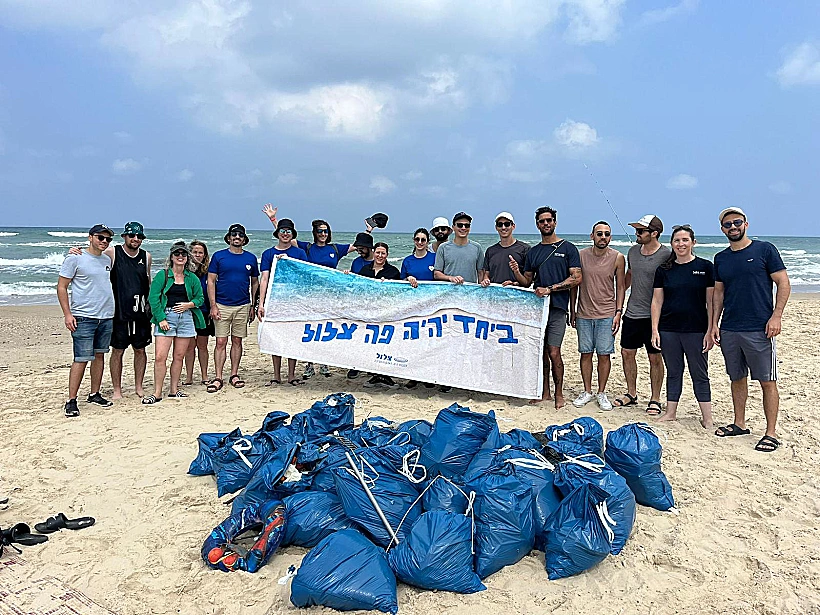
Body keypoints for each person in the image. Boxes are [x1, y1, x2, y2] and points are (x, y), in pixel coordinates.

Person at [711, 207, 790, 452]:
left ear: (746, 224)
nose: (732, 227)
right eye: (727, 225)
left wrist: (776, 316)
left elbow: (783, 282)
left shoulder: (764, 250)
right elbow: (719, 293)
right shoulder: (721, 258)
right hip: (730, 328)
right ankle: (739, 423)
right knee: (736, 377)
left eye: (737, 222)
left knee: (767, 380)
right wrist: (714, 323)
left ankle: (771, 432)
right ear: (722, 229)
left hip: (759, 328)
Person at [67, 222, 152, 399]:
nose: (135, 239)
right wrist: (77, 250)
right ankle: (117, 389)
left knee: (140, 350)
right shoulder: (112, 253)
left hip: (139, 312)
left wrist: (151, 308)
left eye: (139, 236)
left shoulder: (147, 256)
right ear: (125, 237)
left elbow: (148, 282)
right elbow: (93, 255)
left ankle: (138, 386)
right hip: (117, 312)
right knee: (117, 350)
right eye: (132, 236)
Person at [510, 206, 582, 408]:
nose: (546, 224)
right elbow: (527, 282)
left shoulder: (568, 248)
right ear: (537, 224)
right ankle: (545, 392)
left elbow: (577, 278)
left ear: (555, 222)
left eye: (549, 220)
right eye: (542, 221)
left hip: (558, 308)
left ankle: (559, 393)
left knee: (554, 351)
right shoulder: (533, 252)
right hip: (537, 309)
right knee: (541, 352)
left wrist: (551, 288)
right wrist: (516, 273)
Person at [650, 225, 714, 428]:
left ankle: (707, 417)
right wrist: (654, 330)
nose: (681, 244)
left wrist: (711, 330)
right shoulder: (664, 270)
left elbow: (711, 302)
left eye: (685, 240)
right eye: (677, 240)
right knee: (674, 371)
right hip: (669, 330)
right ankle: (670, 412)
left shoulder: (705, 267)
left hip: (696, 331)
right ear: (672, 244)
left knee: (699, 373)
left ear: (693, 242)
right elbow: (657, 301)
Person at [57, 224, 116, 417]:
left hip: (106, 316)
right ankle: (71, 400)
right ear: (90, 237)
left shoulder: (107, 259)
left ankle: (94, 393)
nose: (104, 242)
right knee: (81, 359)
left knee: (99, 356)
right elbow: (62, 287)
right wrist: (68, 314)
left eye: (108, 239)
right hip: (83, 317)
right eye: (101, 238)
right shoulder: (75, 258)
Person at [613, 214, 670, 415]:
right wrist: (617, 299)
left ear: (654, 233)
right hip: (632, 312)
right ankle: (631, 393)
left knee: (655, 358)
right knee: (627, 353)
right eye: (636, 230)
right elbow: (629, 276)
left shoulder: (666, 255)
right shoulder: (633, 252)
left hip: (655, 316)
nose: (636, 234)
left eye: (640, 231)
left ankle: (655, 398)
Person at [570, 221, 625, 411]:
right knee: (585, 353)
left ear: (610, 237)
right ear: (592, 235)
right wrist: (573, 310)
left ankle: (601, 392)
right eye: (599, 233)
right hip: (584, 313)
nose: (603, 237)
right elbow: (574, 284)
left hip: (607, 314)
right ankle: (587, 391)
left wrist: (618, 313)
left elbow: (621, 287)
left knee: (604, 355)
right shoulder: (580, 256)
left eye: (607, 234)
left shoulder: (618, 258)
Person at [143, 243, 205, 404]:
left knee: (179, 356)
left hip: (185, 318)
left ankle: (173, 389)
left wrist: (189, 305)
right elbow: (154, 298)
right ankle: (157, 393)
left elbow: (200, 298)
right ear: (171, 257)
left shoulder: (192, 278)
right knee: (160, 357)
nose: (180, 256)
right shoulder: (162, 275)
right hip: (166, 317)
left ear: (187, 258)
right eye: (177, 254)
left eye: (183, 254)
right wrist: (161, 318)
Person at [207, 223, 259, 392]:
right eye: (234, 235)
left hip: (243, 305)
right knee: (220, 341)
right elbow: (211, 281)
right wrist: (213, 305)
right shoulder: (219, 256)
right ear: (228, 238)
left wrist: (253, 305)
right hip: (222, 305)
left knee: (237, 341)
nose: (237, 238)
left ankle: (234, 374)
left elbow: (255, 282)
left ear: (244, 239)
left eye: (240, 235)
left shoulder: (250, 258)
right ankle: (218, 377)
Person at [257, 218, 308, 386]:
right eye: (282, 231)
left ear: (292, 234)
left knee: (292, 337)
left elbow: (304, 277)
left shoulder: (299, 253)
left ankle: (291, 375)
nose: (285, 234)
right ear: (277, 233)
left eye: (288, 232)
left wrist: (289, 262)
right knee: (275, 337)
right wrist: (261, 303)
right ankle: (276, 375)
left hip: (293, 302)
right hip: (274, 301)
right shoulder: (268, 254)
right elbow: (264, 279)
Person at [184, 240, 213, 386]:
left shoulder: (208, 272)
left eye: (200, 252)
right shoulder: (184, 271)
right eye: (195, 252)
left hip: (204, 313)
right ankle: (189, 377)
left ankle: (204, 375)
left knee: (202, 345)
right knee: (189, 347)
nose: (197, 254)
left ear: (205, 255)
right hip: (187, 314)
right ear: (190, 253)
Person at [433, 212, 486, 286]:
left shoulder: (477, 248)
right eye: (460, 225)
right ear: (453, 227)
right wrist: (450, 278)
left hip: (470, 294)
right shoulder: (443, 248)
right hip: (448, 293)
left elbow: (481, 272)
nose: (463, 228)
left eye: (467, 225)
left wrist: (481, 290)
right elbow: (436, 274)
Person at [480, 212, 530, 285]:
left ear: (513, 226)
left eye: (507, 224)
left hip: (516, 295)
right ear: (496, 227)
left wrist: (515, 280)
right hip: (494, 295)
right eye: (500, 224)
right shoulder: (490, 251)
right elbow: (486, 274)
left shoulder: (525, 249)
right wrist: (485, 280)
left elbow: (527, 282)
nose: (503, 227)